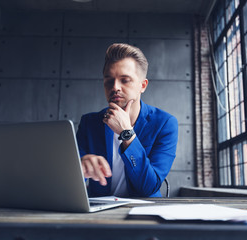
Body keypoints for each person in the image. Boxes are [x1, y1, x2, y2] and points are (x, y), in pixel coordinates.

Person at [76, 43, 178, 197]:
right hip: (99, 212)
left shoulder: (165, 123)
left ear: (142, 85)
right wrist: (82, 163)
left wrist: (127, 133)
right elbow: (70, 177)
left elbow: (149, 187)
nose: (115, 87)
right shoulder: (89, 123)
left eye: (125, 80)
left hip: (143, 213)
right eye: (109, 81)